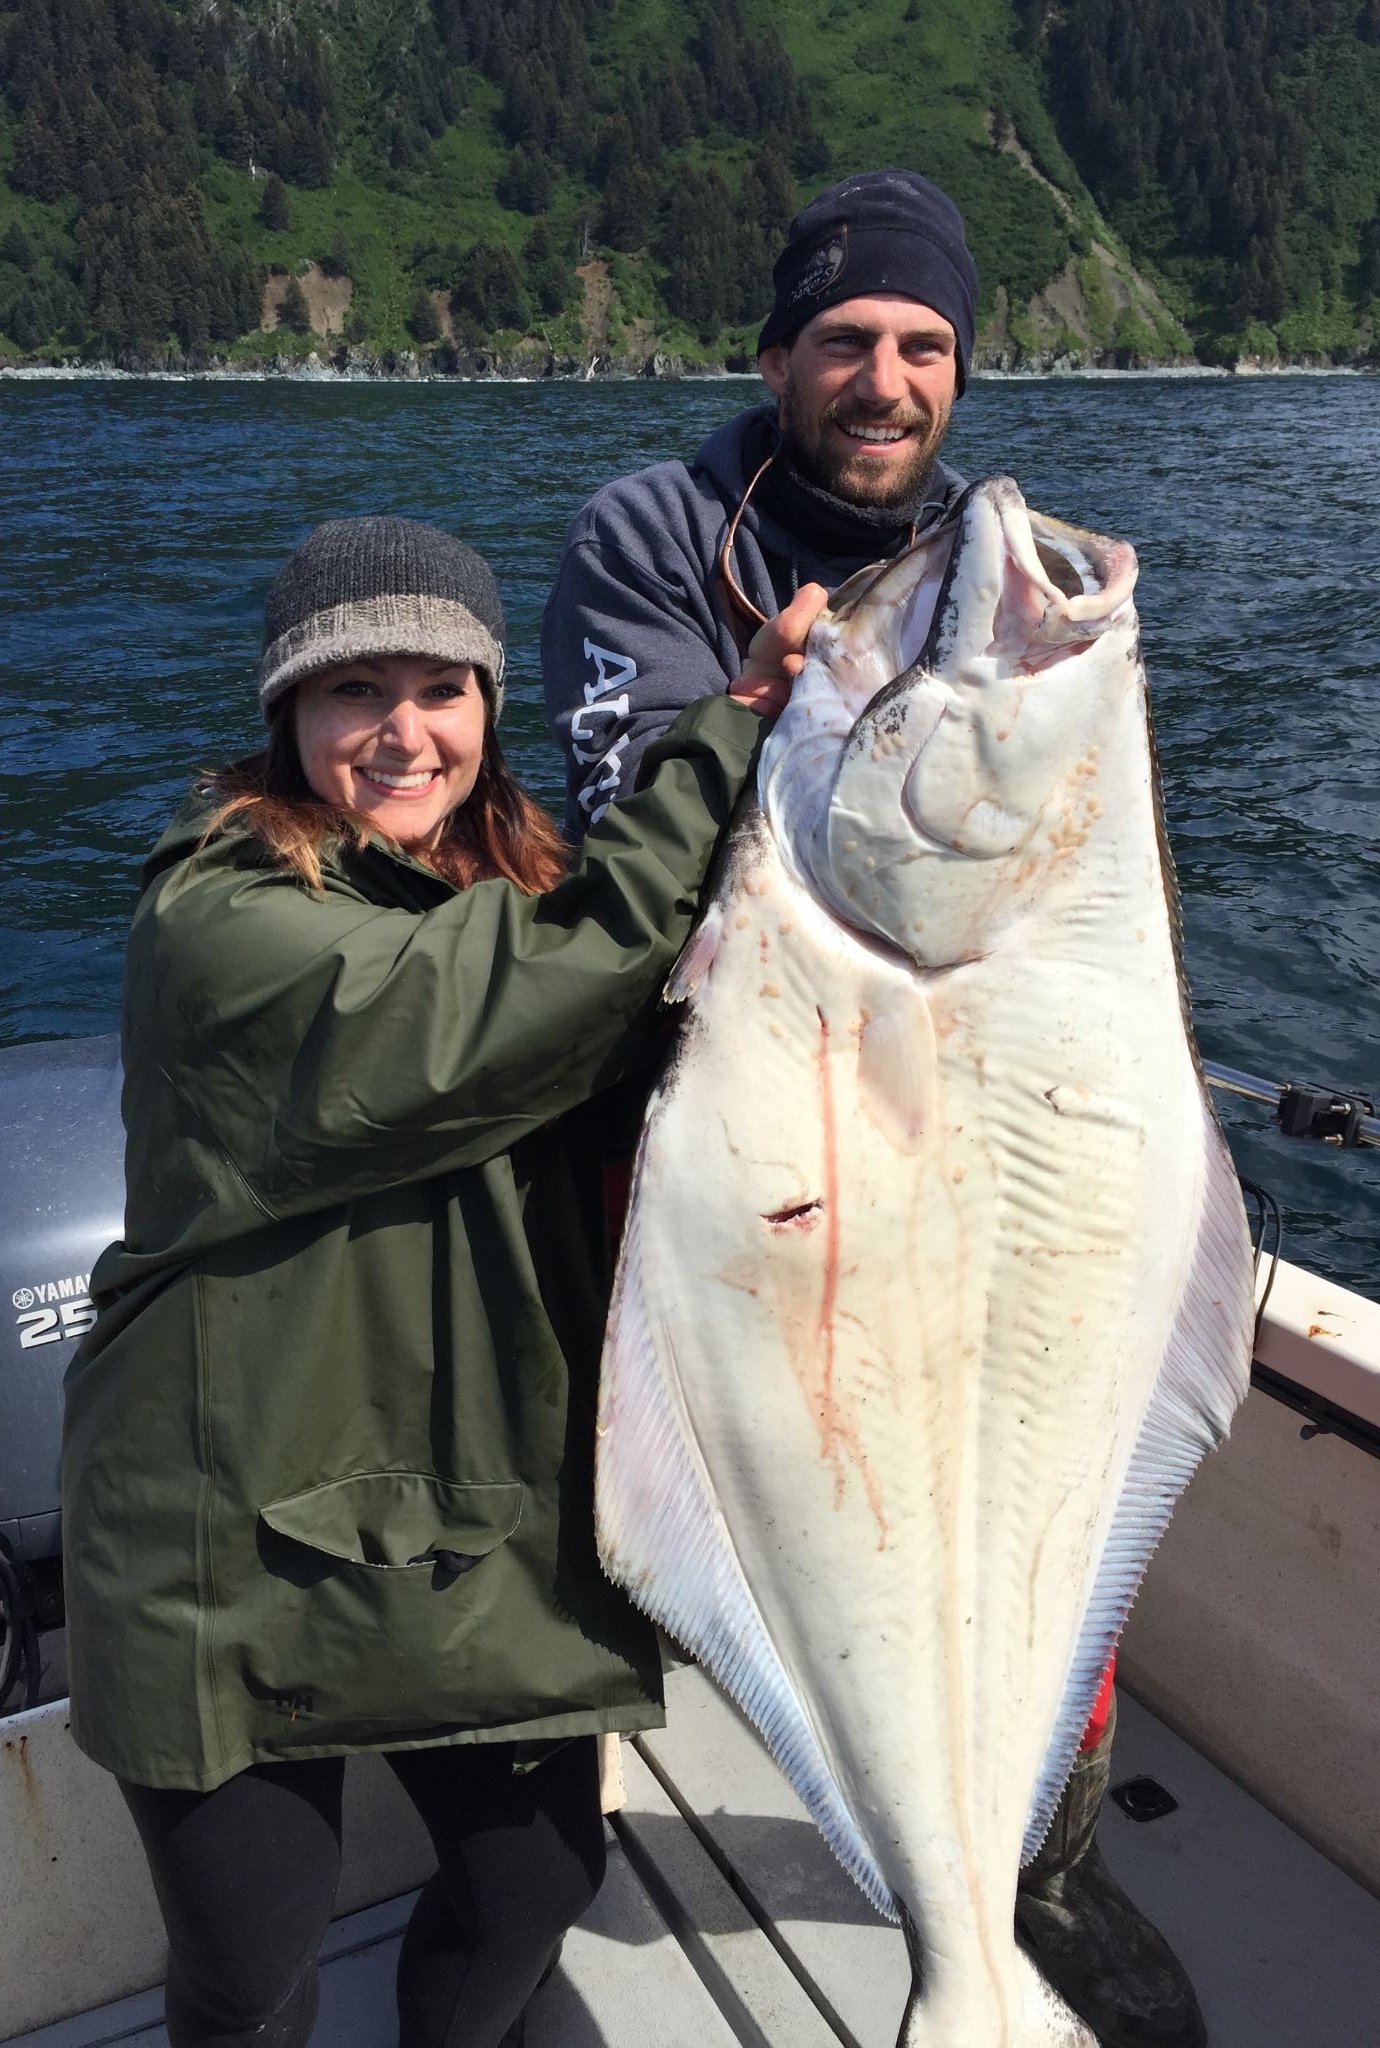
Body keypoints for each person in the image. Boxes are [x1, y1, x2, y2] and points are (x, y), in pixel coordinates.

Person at [542, 172, 1208, 2048]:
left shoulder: (963, 550)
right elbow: (644, 840)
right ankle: (556, 1843)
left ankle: (1016, 1897)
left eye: (925, 346)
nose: (887, 378)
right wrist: (808, 703)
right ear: (777, 358)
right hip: (751, 1154)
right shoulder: (657, 532)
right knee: (772, 1517)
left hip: (960, 1119)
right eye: (848, 339)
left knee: (1031, 1538)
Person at [61, 514, 810, 2048]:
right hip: (227, 1538)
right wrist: (728, 726)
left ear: (488, 705)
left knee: (536, 1887)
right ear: (289, 718)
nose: (404, 734)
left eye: (442, 689)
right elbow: (521, 991)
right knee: (251, 1960)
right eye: (354, 694)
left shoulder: (527, 880)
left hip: (472, 1501)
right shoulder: (220, 920)